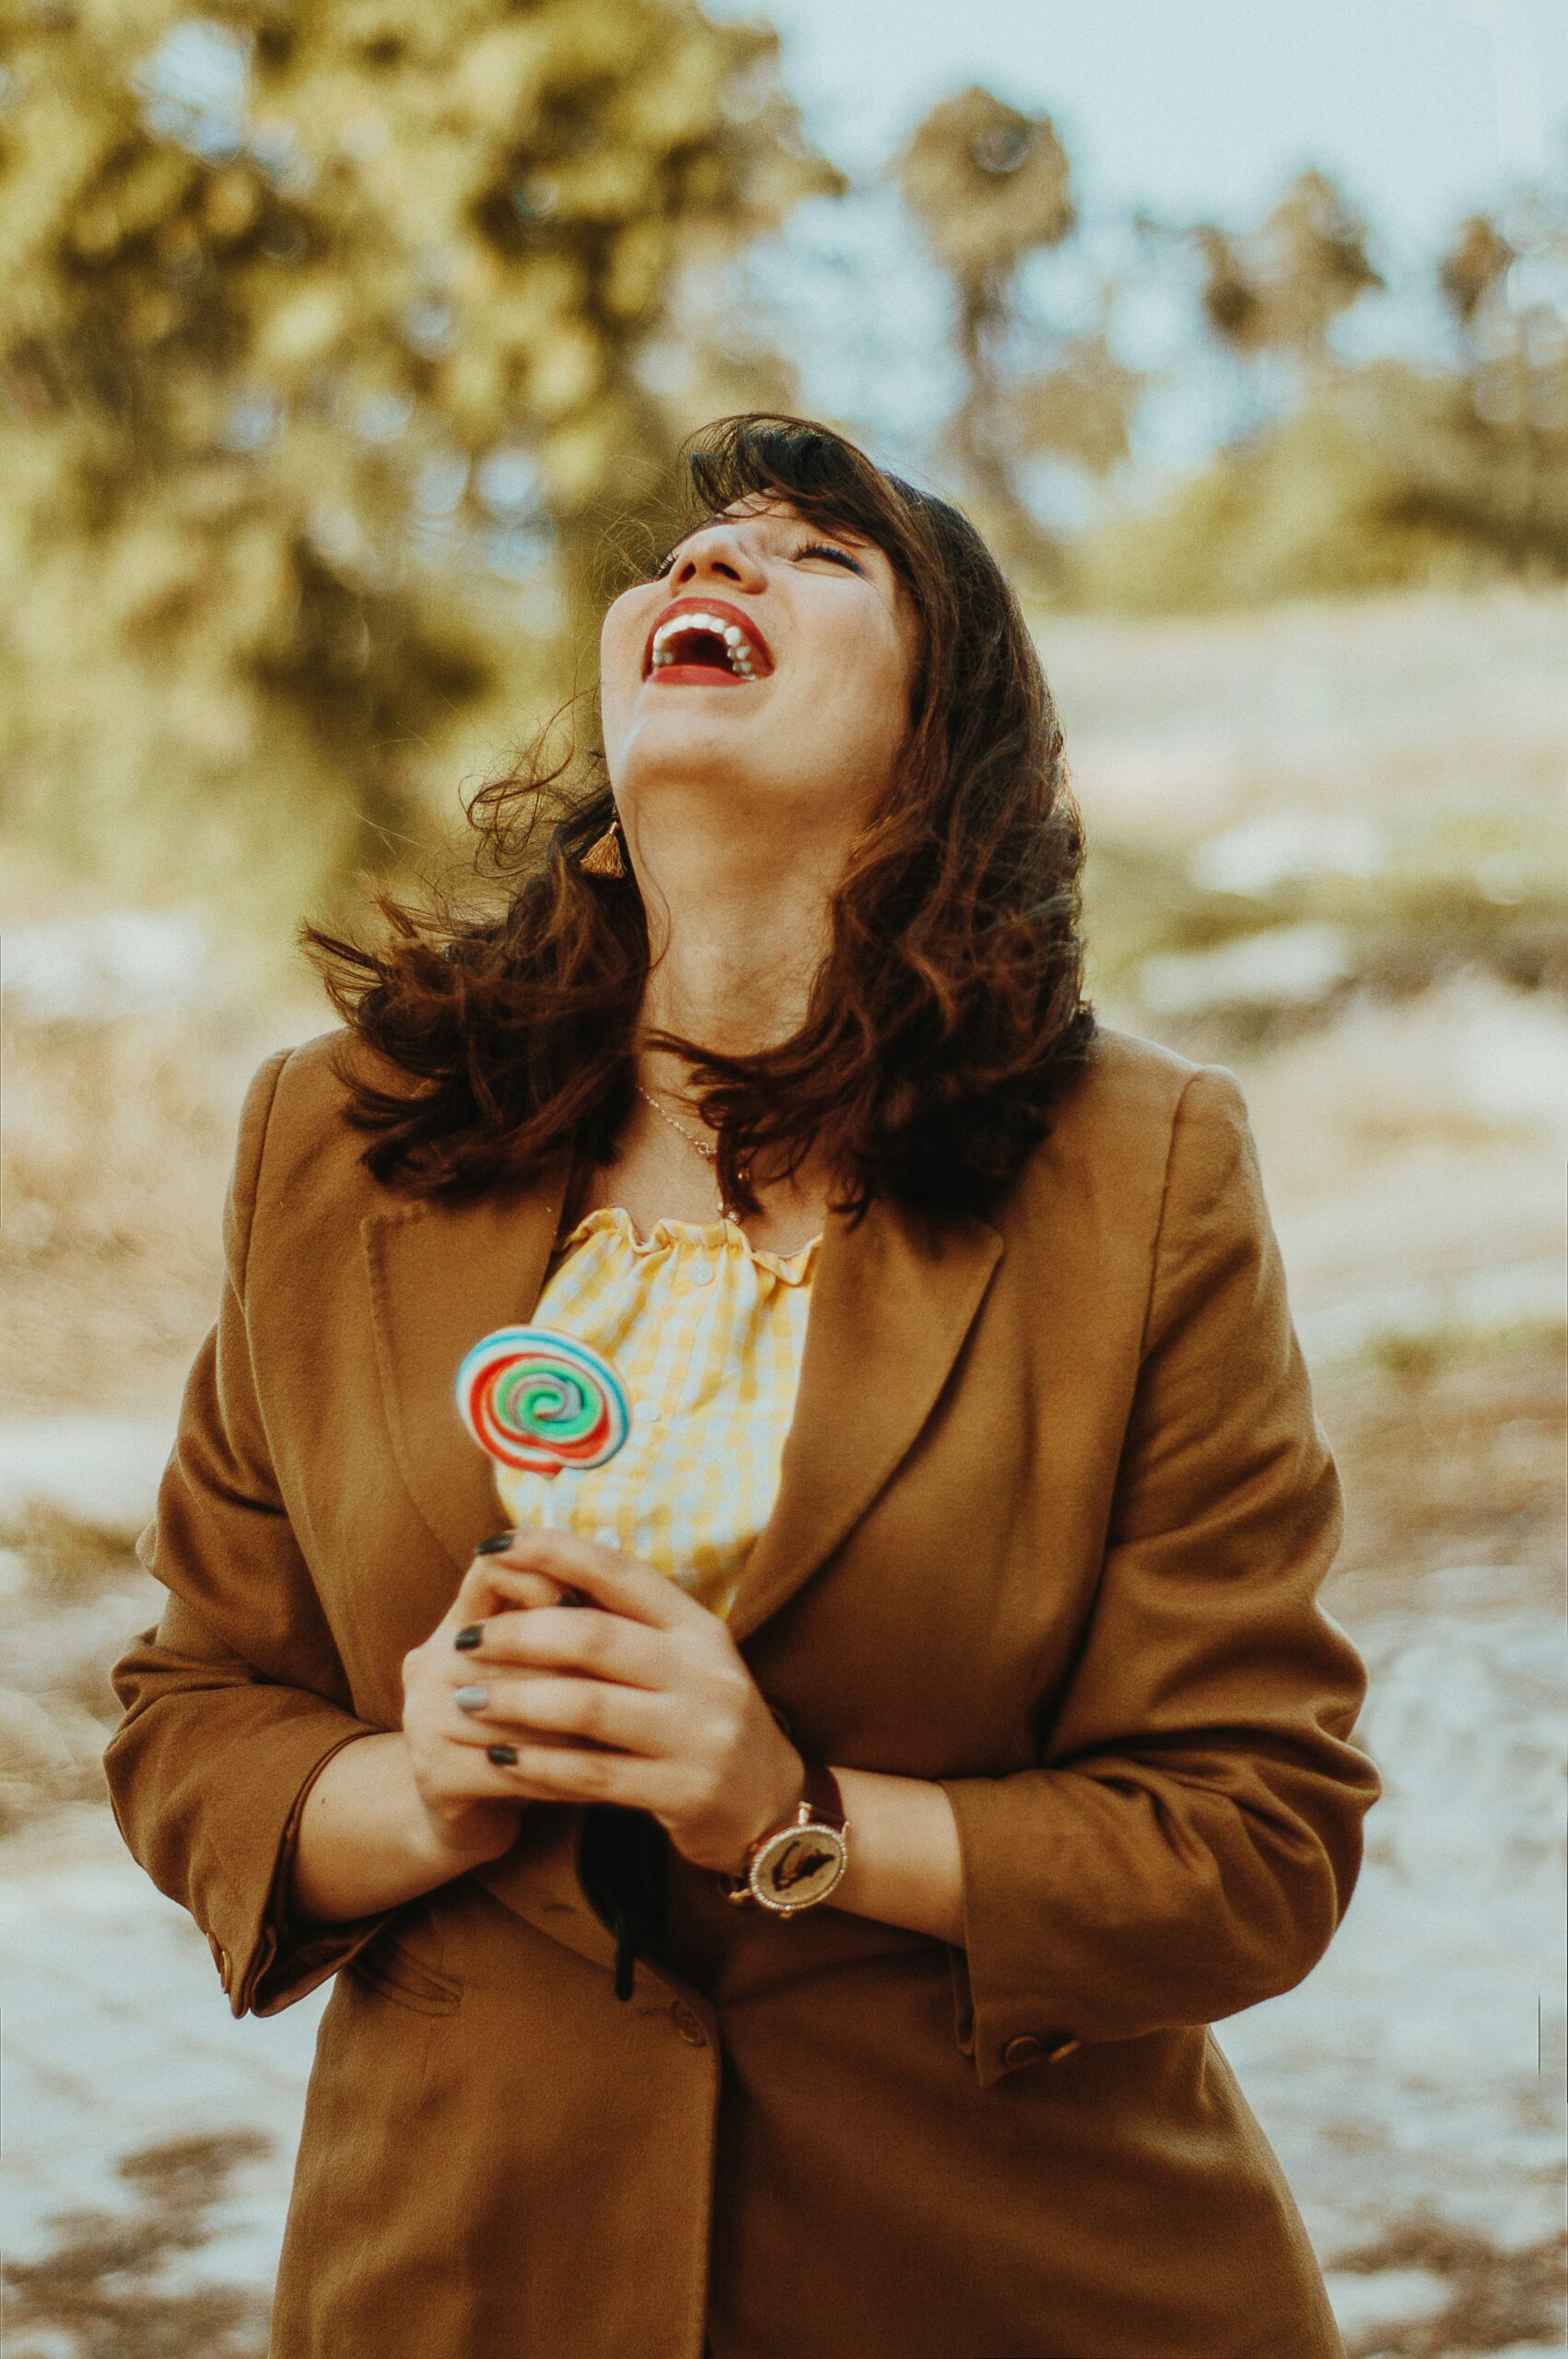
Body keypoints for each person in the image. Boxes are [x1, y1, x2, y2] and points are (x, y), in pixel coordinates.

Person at [106, 413, 1380, 2359]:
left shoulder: (1138, 1170)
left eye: (818, 557)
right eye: (693, 552)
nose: (712, 568)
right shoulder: (336, 1137)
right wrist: (420, 1779)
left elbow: (1251, 1835)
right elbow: (191, 1712)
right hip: (464, 2275)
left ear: (938, 756)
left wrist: (793, 1815)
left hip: (1010, 2285)